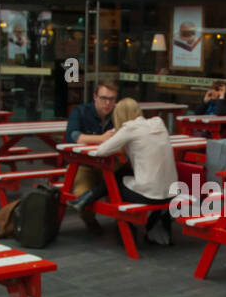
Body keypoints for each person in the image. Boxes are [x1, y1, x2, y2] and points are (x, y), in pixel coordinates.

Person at [71, 98, 177, 246]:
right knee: (121, 174)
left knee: (114, 181)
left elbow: (102, 151)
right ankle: (86, 199)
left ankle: (87, 199)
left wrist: (115, 133)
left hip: (150, 195)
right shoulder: (158, 122)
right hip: (172, 193)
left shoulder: (129, 129)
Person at [64, 80, 118, 233]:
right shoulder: (80, 111)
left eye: (112, 99)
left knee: (129, 186)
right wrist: (102, 139)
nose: (108, 103)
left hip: (109, 164)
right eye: (103, 98)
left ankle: (126, 222)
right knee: (82, 195)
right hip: (82, 165)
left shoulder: (117, 114)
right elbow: (74, 136)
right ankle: (90, 221)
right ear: (95, 97)